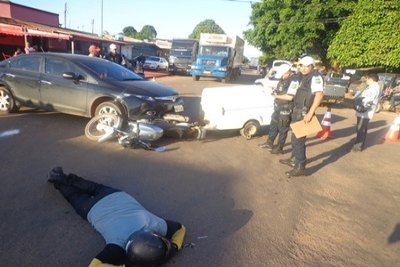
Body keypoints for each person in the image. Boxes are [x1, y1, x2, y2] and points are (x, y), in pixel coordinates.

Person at [47, 167, 186, 266]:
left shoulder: (154, 224)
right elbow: (95, 266)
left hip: (114, 195)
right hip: (91, 208)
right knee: (73, 196)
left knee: (90, 186)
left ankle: (64, 177)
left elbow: (180, 228)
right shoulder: (117, 246)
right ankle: (57, 181)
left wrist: (174, 245)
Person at [279, 56, 324, 177]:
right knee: (294, 139)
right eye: (302, 66)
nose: (303, 68)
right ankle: (294, 159)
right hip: (296, 110)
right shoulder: (301, 76)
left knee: (299, 140)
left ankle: (301, 166)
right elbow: (292, 93)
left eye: (307, 66)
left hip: (304, 112)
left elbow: (319, 95)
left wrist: (310, 113)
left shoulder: (315, 77)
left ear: (312, 66)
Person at [258, 64, 301, 154]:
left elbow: (290, 97)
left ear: (288, 72)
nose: (281, 76)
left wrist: (276, 95)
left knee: (282, 128)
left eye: (283, 74)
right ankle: (269, 142)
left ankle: (279, 147)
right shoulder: (283, 78)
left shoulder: (294, 80)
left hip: (286, 108)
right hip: (278, 106)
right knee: (273, 125)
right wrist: (274, 91)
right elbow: (280, 89)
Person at [352, 72, 381, 152]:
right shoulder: (372, 87)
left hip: (365, 112)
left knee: (361, 129)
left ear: (371, 79)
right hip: (364, 112)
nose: (366, 80)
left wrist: (359, 100)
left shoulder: (374, 88)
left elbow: (368, 99)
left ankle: (358, 146)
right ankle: (358, 144)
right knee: (361, 128)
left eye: (367, 78)